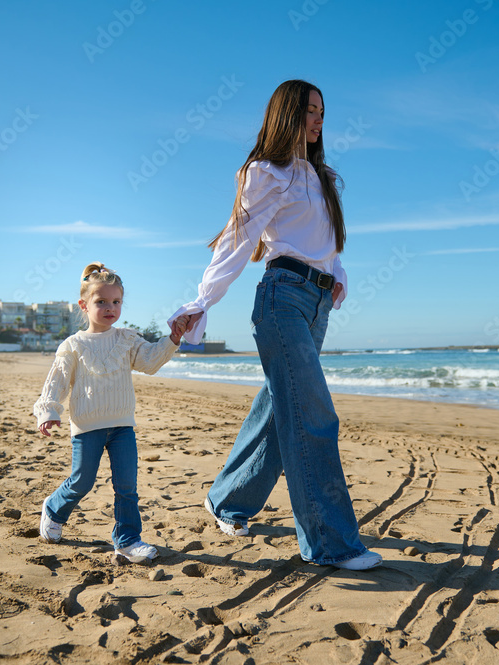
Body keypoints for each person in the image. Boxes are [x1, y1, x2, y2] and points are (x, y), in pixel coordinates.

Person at [168, 80, 381, 570]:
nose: (317, 119)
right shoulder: (266, 172)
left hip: (316, 304)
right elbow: (238, 240)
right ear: (285, 113)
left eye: (322, 111)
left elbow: (328, 242)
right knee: (313, 417)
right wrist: (203, 300)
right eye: (308, 110)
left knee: (275, 413)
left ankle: (227, 501)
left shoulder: (321, 174)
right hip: (282, 298)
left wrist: (337, 281)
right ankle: (331, 544)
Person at [34, 262, 189, 563]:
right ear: (84, 305)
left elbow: (149, 362)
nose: (110, 308)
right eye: (101, 301)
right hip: (86, 427)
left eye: (116, 302)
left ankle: (127, 541)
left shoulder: (127, 339)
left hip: (122, 426)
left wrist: (172, 339)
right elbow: (57, 382)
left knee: (127, 486)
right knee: (82, 481)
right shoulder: (73, 345)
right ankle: (53, 508)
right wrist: (48, 411)